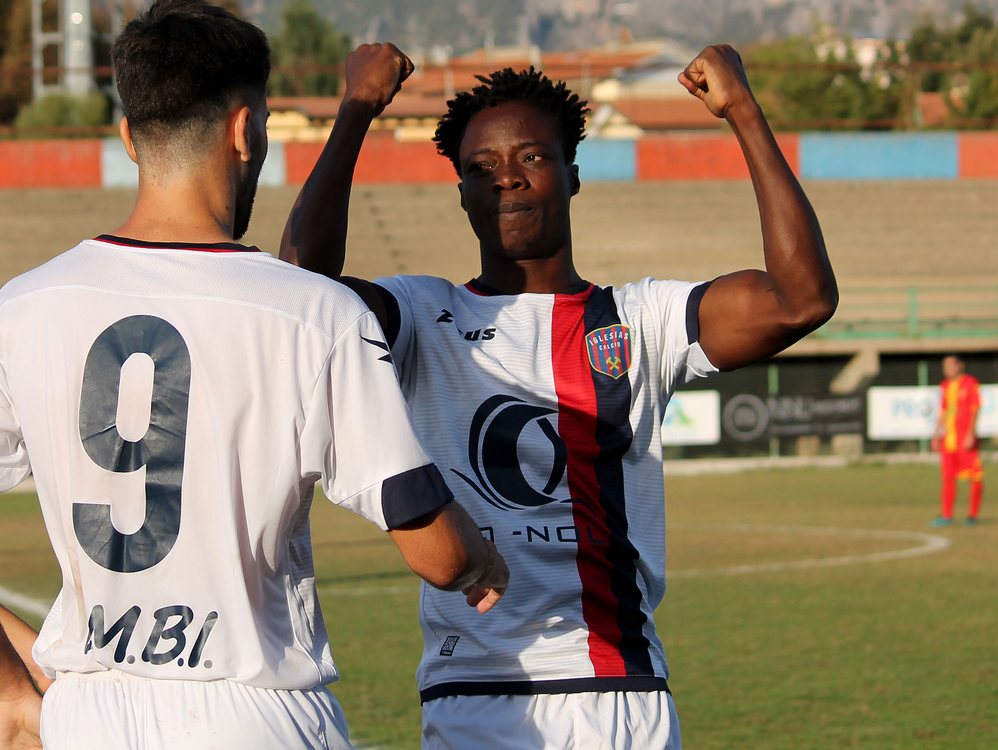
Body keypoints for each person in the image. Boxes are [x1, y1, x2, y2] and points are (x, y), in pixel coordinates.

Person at [281, 42, 837, 749]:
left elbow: (802, 299)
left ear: (573, 175)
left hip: (618, 696)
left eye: (532, 158)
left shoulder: (643, 320)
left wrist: (745, 113)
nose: (506, 180)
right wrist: (356, 109)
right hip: (472, 698)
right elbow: (301, 292)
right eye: (481, 169)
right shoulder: (422, 315)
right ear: (462, 196)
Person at [0, 2, 507, 748]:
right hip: (252, 714)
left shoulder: (23, 305)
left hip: (87, 715)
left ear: (129, 140)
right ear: (245, 130)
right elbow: (435, 550)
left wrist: (16, 685)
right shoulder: (312, 313)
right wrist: (481, 562)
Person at [930, 354, 984, 526]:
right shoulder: (945, 386)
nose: (946, 370)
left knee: (975, 476)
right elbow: (943, 412)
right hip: (949, 440)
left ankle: (972, 515)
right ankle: (946, 515)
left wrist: (971, 433)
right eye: (944, 366)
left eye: (949, 366)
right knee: (947, 477)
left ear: (960, 366)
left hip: (964, 438)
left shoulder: (970, 383)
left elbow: (975, 409)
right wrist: (936, 435)